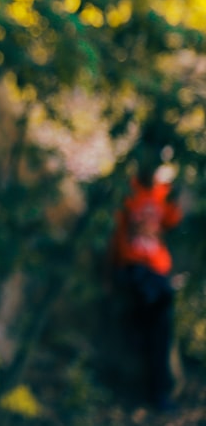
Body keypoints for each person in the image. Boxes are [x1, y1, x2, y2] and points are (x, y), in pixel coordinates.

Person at [108, 149, 183, 411]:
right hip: (133, 267)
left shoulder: (163, 194)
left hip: (157, 270)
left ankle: (159, 393)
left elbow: (174, 219)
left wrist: (175, 194)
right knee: (155, 298)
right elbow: (116, 234)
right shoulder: (127, 192)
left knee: (160, 321)